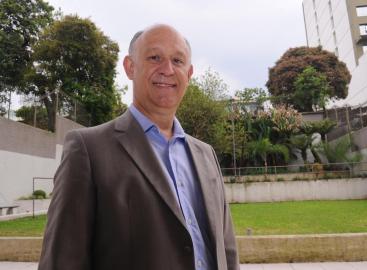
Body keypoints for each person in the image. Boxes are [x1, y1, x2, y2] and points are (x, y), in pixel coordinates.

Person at [38, 24, 239, 270]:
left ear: (189, 73)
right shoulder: (88, 150)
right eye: (155, 57)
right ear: (130, 67)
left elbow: (226, 248)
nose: (167, 69)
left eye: (177, 60)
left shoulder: (205, 155)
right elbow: (62, 260)